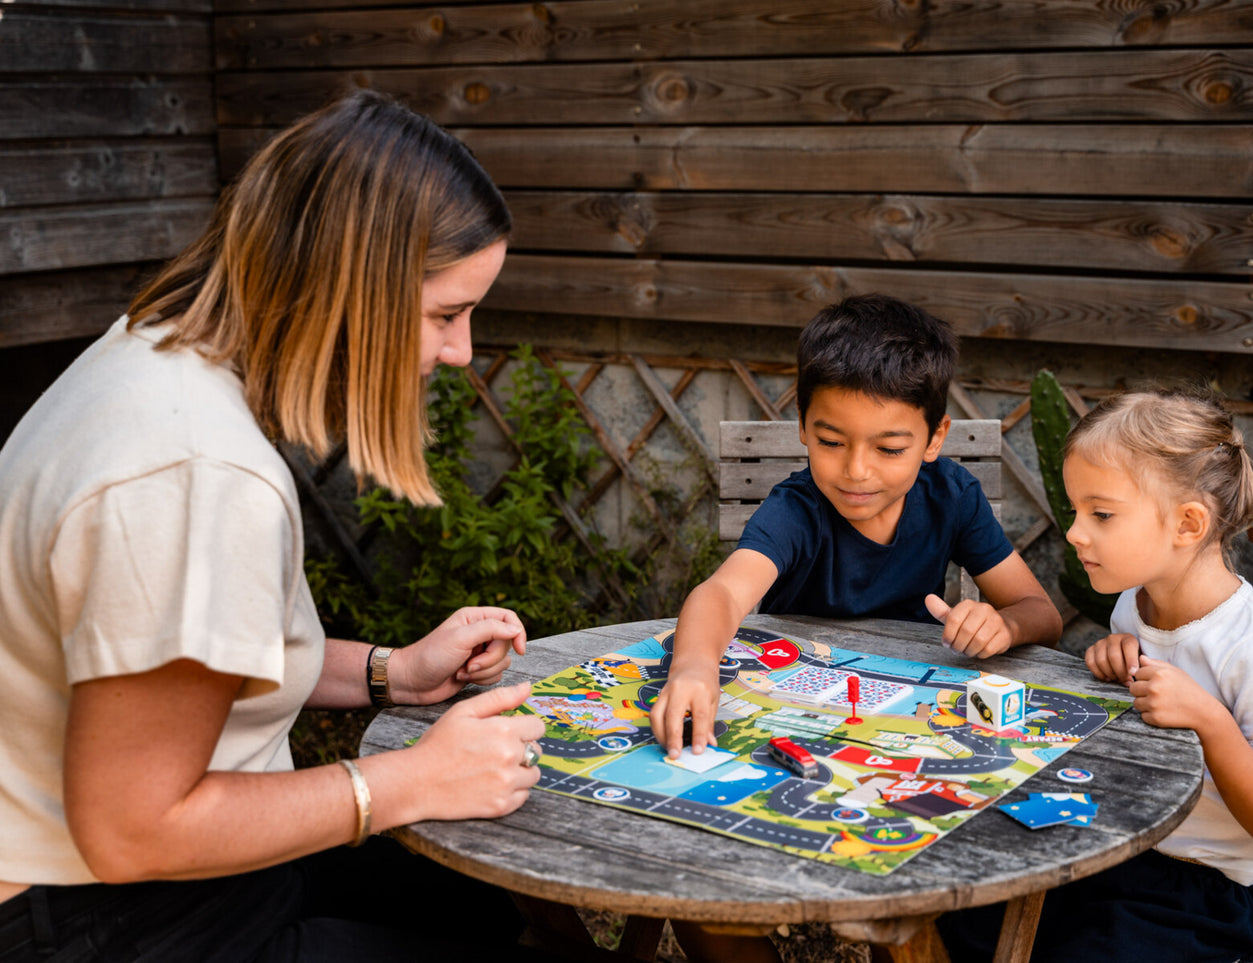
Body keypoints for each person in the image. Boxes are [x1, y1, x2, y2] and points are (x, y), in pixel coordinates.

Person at [0, 90, 548, 961]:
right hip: (96, 912)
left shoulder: (152, 354)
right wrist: (409, 778)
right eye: (446, 313)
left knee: (478, 899)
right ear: (346, 288)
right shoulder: (196, 473)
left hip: (123, 880)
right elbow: (132, 830)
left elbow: (186, 662)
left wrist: (392, 673)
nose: (461, 351)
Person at [646, 294, 1061, 962]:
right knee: (702, 877)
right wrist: (693, 666)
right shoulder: (797, 510)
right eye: (831, 441)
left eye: (889, 446)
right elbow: (722, 592)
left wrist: (1000, 624)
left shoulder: (951, 495)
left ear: (933, 439)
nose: (856, 470)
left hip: (899, 726)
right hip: (788, 722)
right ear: (804, 428)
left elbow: (1038, 610)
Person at [938, 385, 1253, 962]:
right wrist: (1113, 658)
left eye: (1102, 514)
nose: (1073, 532)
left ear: (1188, 524)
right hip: (1128, 842)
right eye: (1075, 510)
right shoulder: (1132, 606)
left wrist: (1211, 722)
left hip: (1219, 882)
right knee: (970, 924)